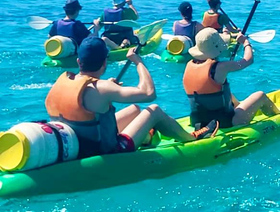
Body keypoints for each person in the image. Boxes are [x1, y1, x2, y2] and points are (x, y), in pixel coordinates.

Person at [45, 37, 217, 160]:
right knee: (154, 110)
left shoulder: (64, 81)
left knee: (134, 109)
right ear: (105, 62)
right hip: (106, 152)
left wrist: (107, 86)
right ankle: (192, 138)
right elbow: (149, 93)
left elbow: (86, 104)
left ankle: (147, 137)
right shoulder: (102, 88)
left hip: (78, 145)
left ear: (78, 61)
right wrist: (138, 62)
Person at [182, 28, 280, 130]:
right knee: (260, 95)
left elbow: (212, 94)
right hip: (225, 122)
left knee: (220, 91)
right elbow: (248, 60)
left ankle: (238, 106)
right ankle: (279, 112)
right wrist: (246, 43)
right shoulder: (221, 67)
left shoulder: (189, 66)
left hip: (198, 122)